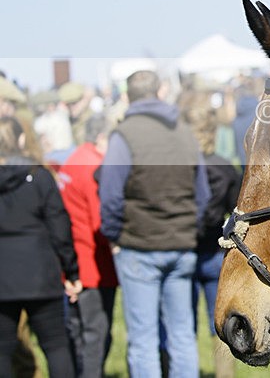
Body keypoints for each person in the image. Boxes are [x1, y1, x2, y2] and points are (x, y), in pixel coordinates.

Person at [99, 70, 210, 378]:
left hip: (139, 246)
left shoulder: (124, 135)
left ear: (127, 97)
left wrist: (114, 235)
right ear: (160, 92)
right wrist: (191, 228)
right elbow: (203, 193)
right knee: (183, 334)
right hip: (179, 244)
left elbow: (109, 194)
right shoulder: (184, 131)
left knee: (143, 339)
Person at [0, 116, 82, 378]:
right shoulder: (39, 176)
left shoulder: (39, 175)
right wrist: (71, 272)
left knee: (1, 349)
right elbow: (60, 227)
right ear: (21, 140)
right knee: (56, 345)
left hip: (4, 274)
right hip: (40, 272)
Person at [179, 90, 240, 378]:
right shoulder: (225, 168)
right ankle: (224, 375)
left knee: (180, 325)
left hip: (181, 249)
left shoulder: (175, 167)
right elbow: (236, 213)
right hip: (215, 252)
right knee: (221, 325)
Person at [59, 114, 119, 378]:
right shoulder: (94, 168)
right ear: (102, 138)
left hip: (73, 258)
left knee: (79, 331)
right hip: (93, 263)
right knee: (97, 333)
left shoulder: (72, 161)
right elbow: (103, 220)